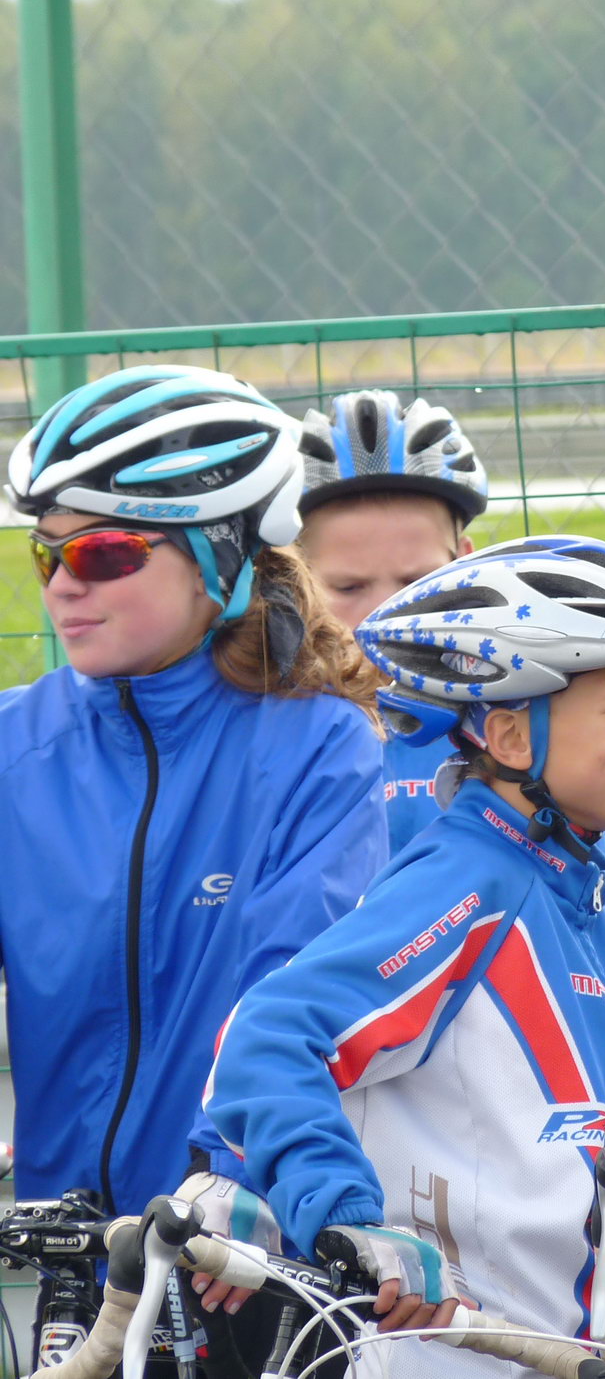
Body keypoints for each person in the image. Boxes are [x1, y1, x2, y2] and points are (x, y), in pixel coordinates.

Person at [202, 535, 605, 1379]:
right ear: (512, 737)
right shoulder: (464, 883)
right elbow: (269, 1036)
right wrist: (345, 1217)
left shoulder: (601, 910)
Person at [0, 364, 388, 1366]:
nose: (63, 584)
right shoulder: (11, 749)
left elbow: (290, 992)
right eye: (46, 552)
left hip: (237, 1246)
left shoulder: (318, 745)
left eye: (104, 551)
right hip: (72, 1256)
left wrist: (232, 1171)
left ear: (223, 554)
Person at [296, 389, 489, 851]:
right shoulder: (267, 736)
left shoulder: (526, 733)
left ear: (465, 564)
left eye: (418, 582)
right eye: (349, 587)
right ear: (293, 581)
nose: (388, 617)